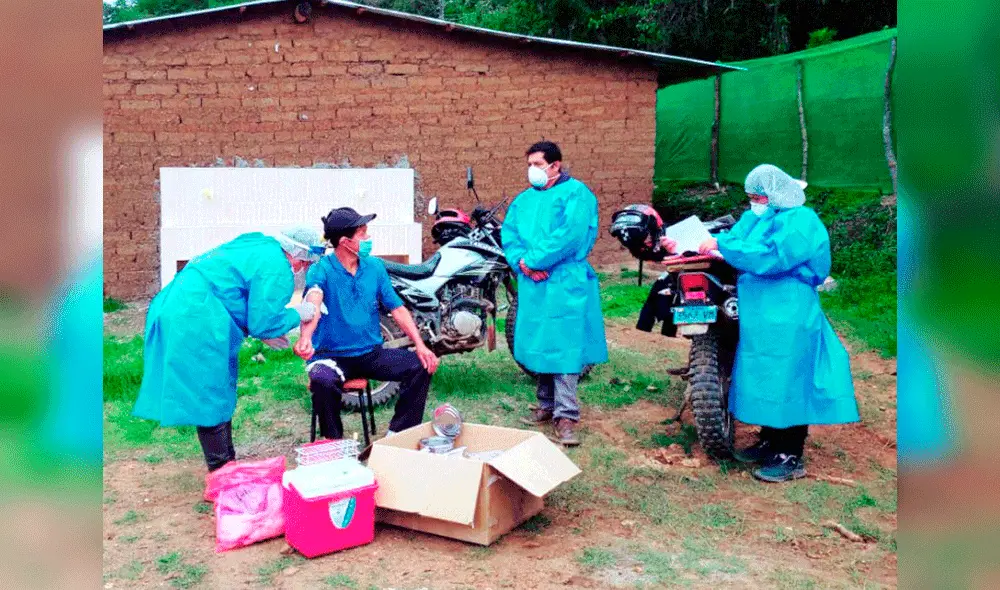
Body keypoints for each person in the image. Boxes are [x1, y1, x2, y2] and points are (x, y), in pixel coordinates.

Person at [665, 164, 859, 482]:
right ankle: (770, 440)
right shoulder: (758, 217)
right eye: (751, 196)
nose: (753, 201)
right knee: (765, 375)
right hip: (760, 311)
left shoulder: (800, 221)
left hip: (789, 310)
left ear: (774, 193)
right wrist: (700, 242)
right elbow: (734, 239)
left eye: (758, 195)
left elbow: (772, 256)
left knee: (789, 377)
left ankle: (790, 455)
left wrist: (723, 247)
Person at [133, 226, 325, 472]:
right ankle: (223, 472)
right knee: (212, 391)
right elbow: (264, 321)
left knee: (210, 388)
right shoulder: (277, 269)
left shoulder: (259, 242)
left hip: (178, 302)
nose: (303, 268)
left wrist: (261, 328)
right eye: (305, 262)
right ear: (296, 253)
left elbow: (238, 291)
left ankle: (225, 465)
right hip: (198, 317)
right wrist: (301, 312)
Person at [294, 207, 439, 440]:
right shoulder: (321, 269)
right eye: (363, 233)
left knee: (420, 365)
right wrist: (306, 338)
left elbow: (397, 308)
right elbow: (314, 298)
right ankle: (335, 444)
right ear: (345, 241)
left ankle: (398, 435)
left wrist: (420, 344)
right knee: (322, 380)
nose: (368, 238)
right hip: (330, 357)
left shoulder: (375, 267)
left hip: (370, 354)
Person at [501, 141, 608, 446]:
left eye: (538, 163)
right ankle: (546, 404)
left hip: (563, 279)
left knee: (565, 347)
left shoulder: (577, 194)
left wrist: (535, 260)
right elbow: (510, 235)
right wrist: (523, 263)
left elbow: (570, 236)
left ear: (555, 165)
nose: (532, 169)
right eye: (530, 163)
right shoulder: (523, 201)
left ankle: (567, 415)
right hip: (534, 282)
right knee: (540, 342)